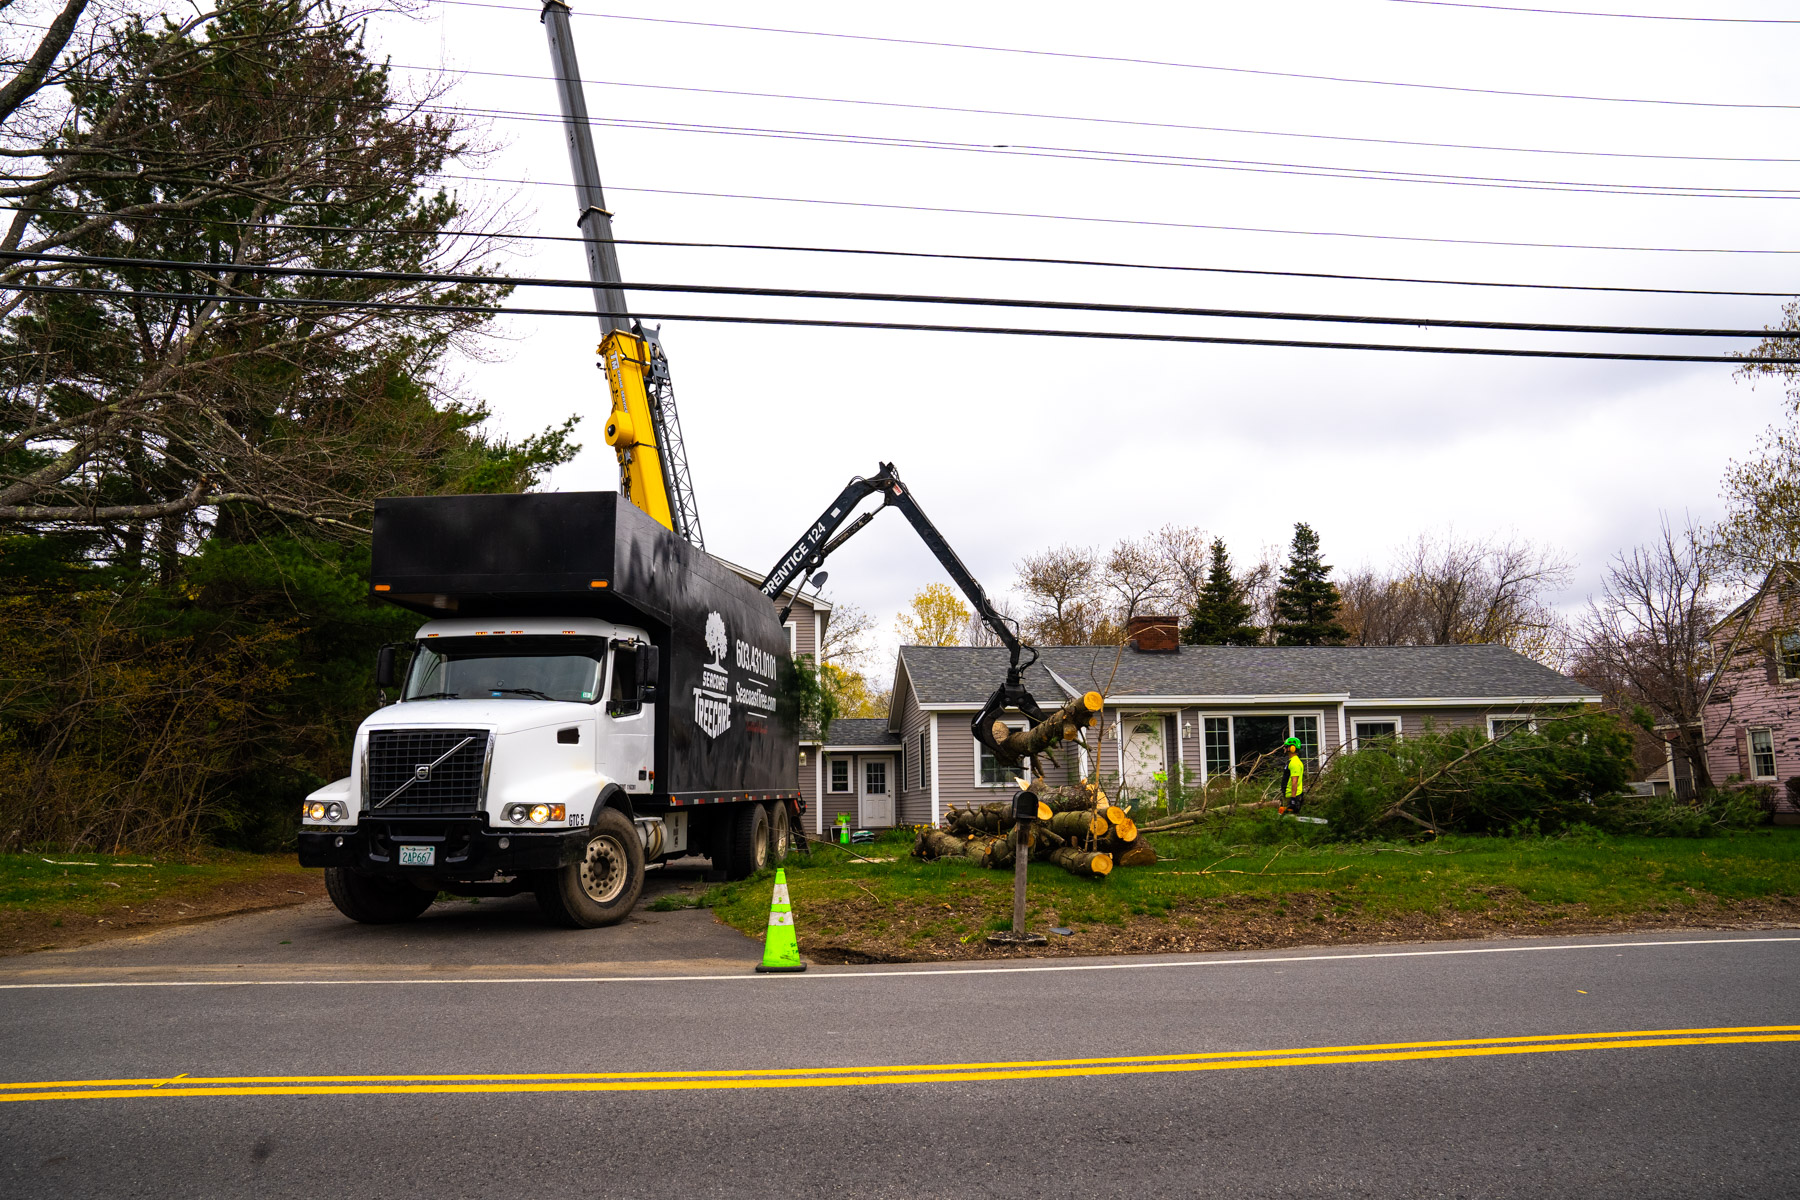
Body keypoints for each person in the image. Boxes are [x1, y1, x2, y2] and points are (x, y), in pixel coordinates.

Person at [1279, 736, 1305, 814]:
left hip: (1292, 796)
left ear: (1292, 748)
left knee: (1288, 819)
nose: (1284, 748)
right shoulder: (1291, 761)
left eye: (1286, 747)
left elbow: (1295, 781)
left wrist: (1293, 799)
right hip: (1288, 795)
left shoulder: (1295, 763)